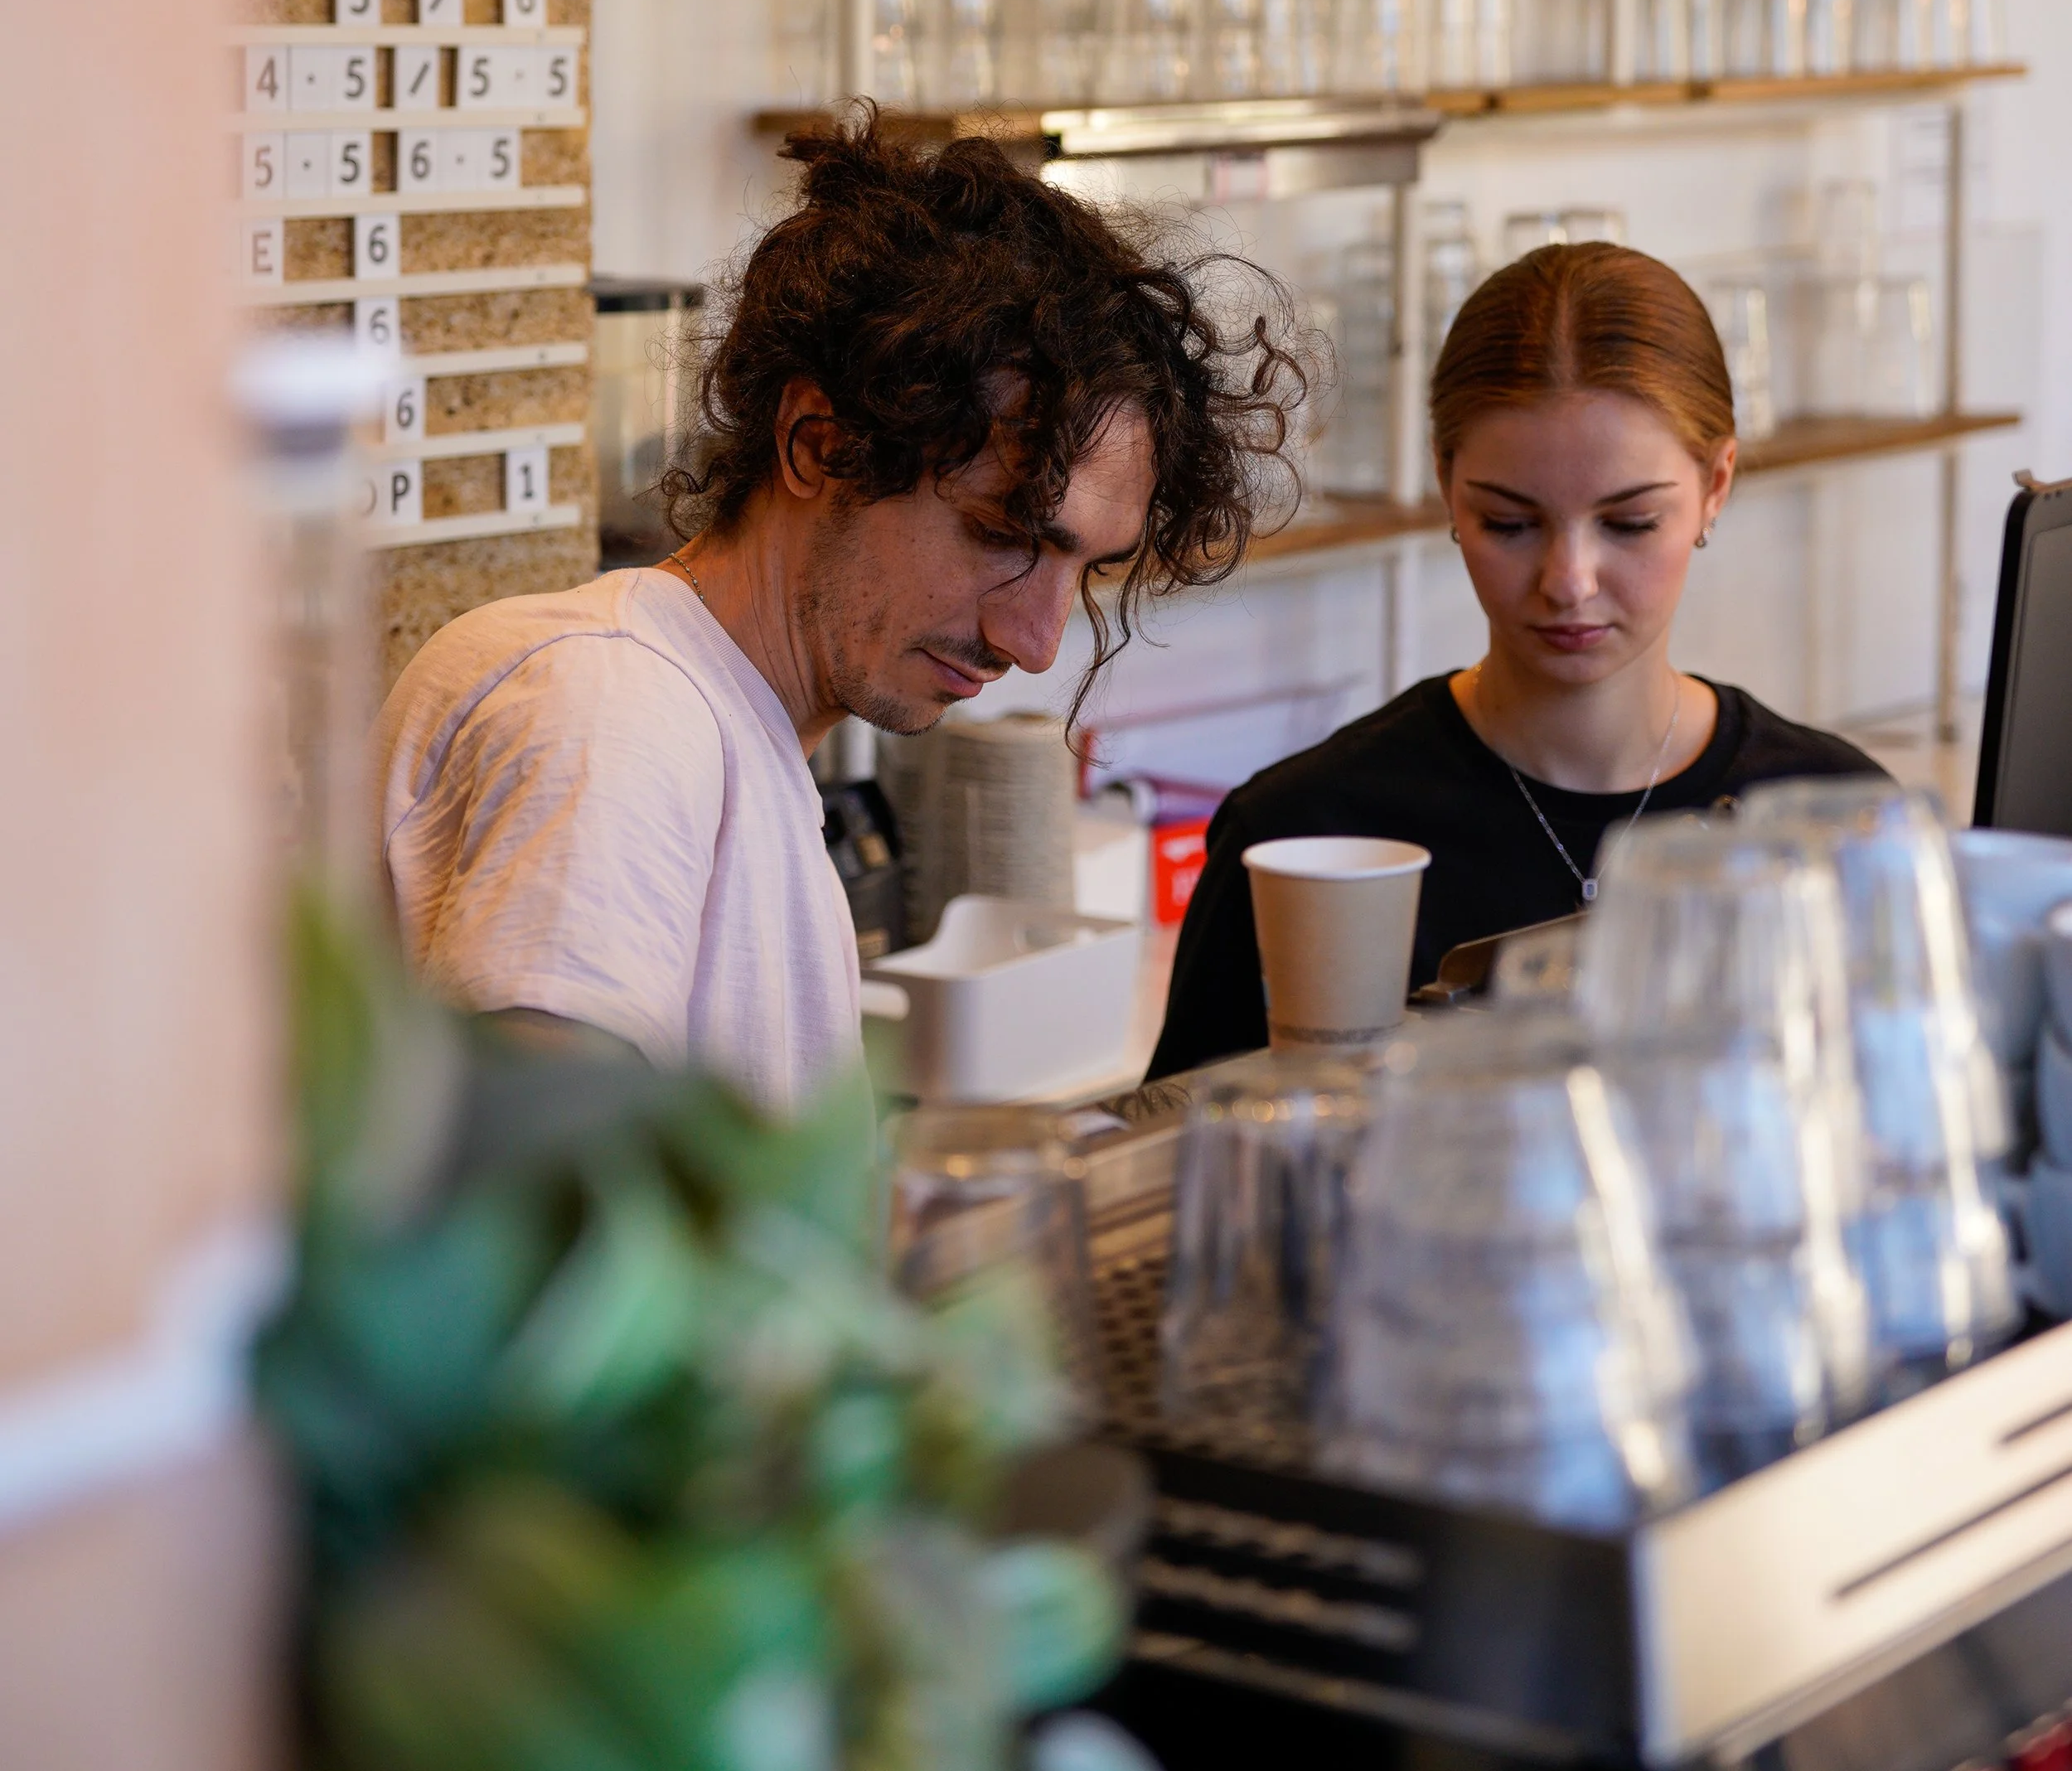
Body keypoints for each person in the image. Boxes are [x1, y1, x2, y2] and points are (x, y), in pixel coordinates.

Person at [376, 111, 1305, 1108]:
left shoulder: (723, 730)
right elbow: (542, 1221)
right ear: (819, 446)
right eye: (1001, 536)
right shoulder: (610, 715)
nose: (1033, 644)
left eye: (1084, 570)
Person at [1151, 240, 1882, 1077]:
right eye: (1509, 523)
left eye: (1628, 523)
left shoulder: (1836, 821)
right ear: (1446, 484)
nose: (1568, 582)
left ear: (1716, 486)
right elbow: (1194, 1166)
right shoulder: (1306, 835)